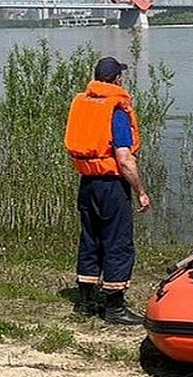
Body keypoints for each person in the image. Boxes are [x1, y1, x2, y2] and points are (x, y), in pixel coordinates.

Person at [64, 56, 152, 324]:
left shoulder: (84, 105)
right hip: (112, 186)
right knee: (118, 243)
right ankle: (114, 308)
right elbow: (124, 159)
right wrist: (141, 191)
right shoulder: (116, 111)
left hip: (87, 184)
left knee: (90, 238)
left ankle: (87, 301)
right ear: (117, 80)